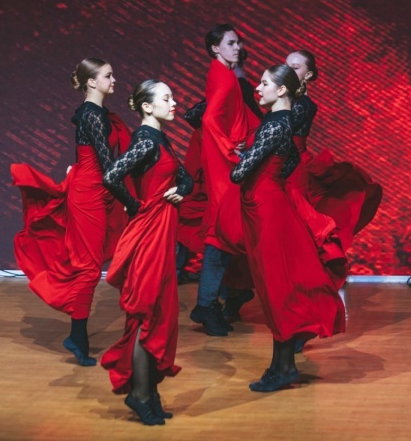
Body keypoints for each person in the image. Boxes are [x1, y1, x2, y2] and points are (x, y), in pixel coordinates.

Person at [230, 65, 346, 392]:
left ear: (281, 90)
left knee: (276, 287)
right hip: (268, 205)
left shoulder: (274, 124)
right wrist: (263, 166)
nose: (258, 88)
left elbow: (238, 174)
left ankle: (283, 369)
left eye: (264, 83)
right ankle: (281, 366)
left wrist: (245, 158)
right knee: (276, 287)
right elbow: (291, 162)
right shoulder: (284, 123)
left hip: (266, 209)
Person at [11, 58, 132, 368]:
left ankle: (83, 334)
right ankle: (77, 337)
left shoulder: (97, 113)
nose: (113, 80)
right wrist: (130, 200)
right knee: (88, 268)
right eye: (108, 75)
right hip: (90, 194)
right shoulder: (91, 115)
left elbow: (95, 159)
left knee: (95, 262)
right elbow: (107, 165)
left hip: (97, 189)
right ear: (91, 82)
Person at [101, 80, 193, 425]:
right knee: (146, 312)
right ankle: (140, 395)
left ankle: (149, 393)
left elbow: (185, 177)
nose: (174, 102)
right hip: (149, 232)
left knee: (156, 310)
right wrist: (135, 205)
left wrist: (181, 189)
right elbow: (111, 176)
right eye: (166, 98)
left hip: (161, 231)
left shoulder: (159, 138)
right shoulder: (144, 140)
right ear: (147, 107)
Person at [189, 24, 259, 336]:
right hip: (223, 165)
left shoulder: (224, 73)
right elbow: (209, 118)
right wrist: (231, 149)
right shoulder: (222, 75)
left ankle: (217, 300)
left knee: (226, 233)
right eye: (231, 43)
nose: (237, 47)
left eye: (238, 42)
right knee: (220, 234)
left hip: (224, 162)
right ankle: (206, 305)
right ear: (215, 48)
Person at [285, 50, 382, 257]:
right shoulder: (286, 98)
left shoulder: (301, 104)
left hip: (291, 164)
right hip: (283, 160)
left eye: (295, 67)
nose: (288, 71)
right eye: (286, 66)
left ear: (308, 74)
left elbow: (282, 134)